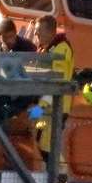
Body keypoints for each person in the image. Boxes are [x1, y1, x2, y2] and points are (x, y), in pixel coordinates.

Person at [29, 14, 73, 157]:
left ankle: (59, 175)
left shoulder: (61, 50)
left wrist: (38, 109)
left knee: (47, 145)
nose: (35, 33)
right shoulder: (47, 48)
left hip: (54, 108)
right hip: (46, 107)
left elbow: (56, 82)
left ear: (49, 31)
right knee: (40, 137)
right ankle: (56, 174)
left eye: (38, 30)